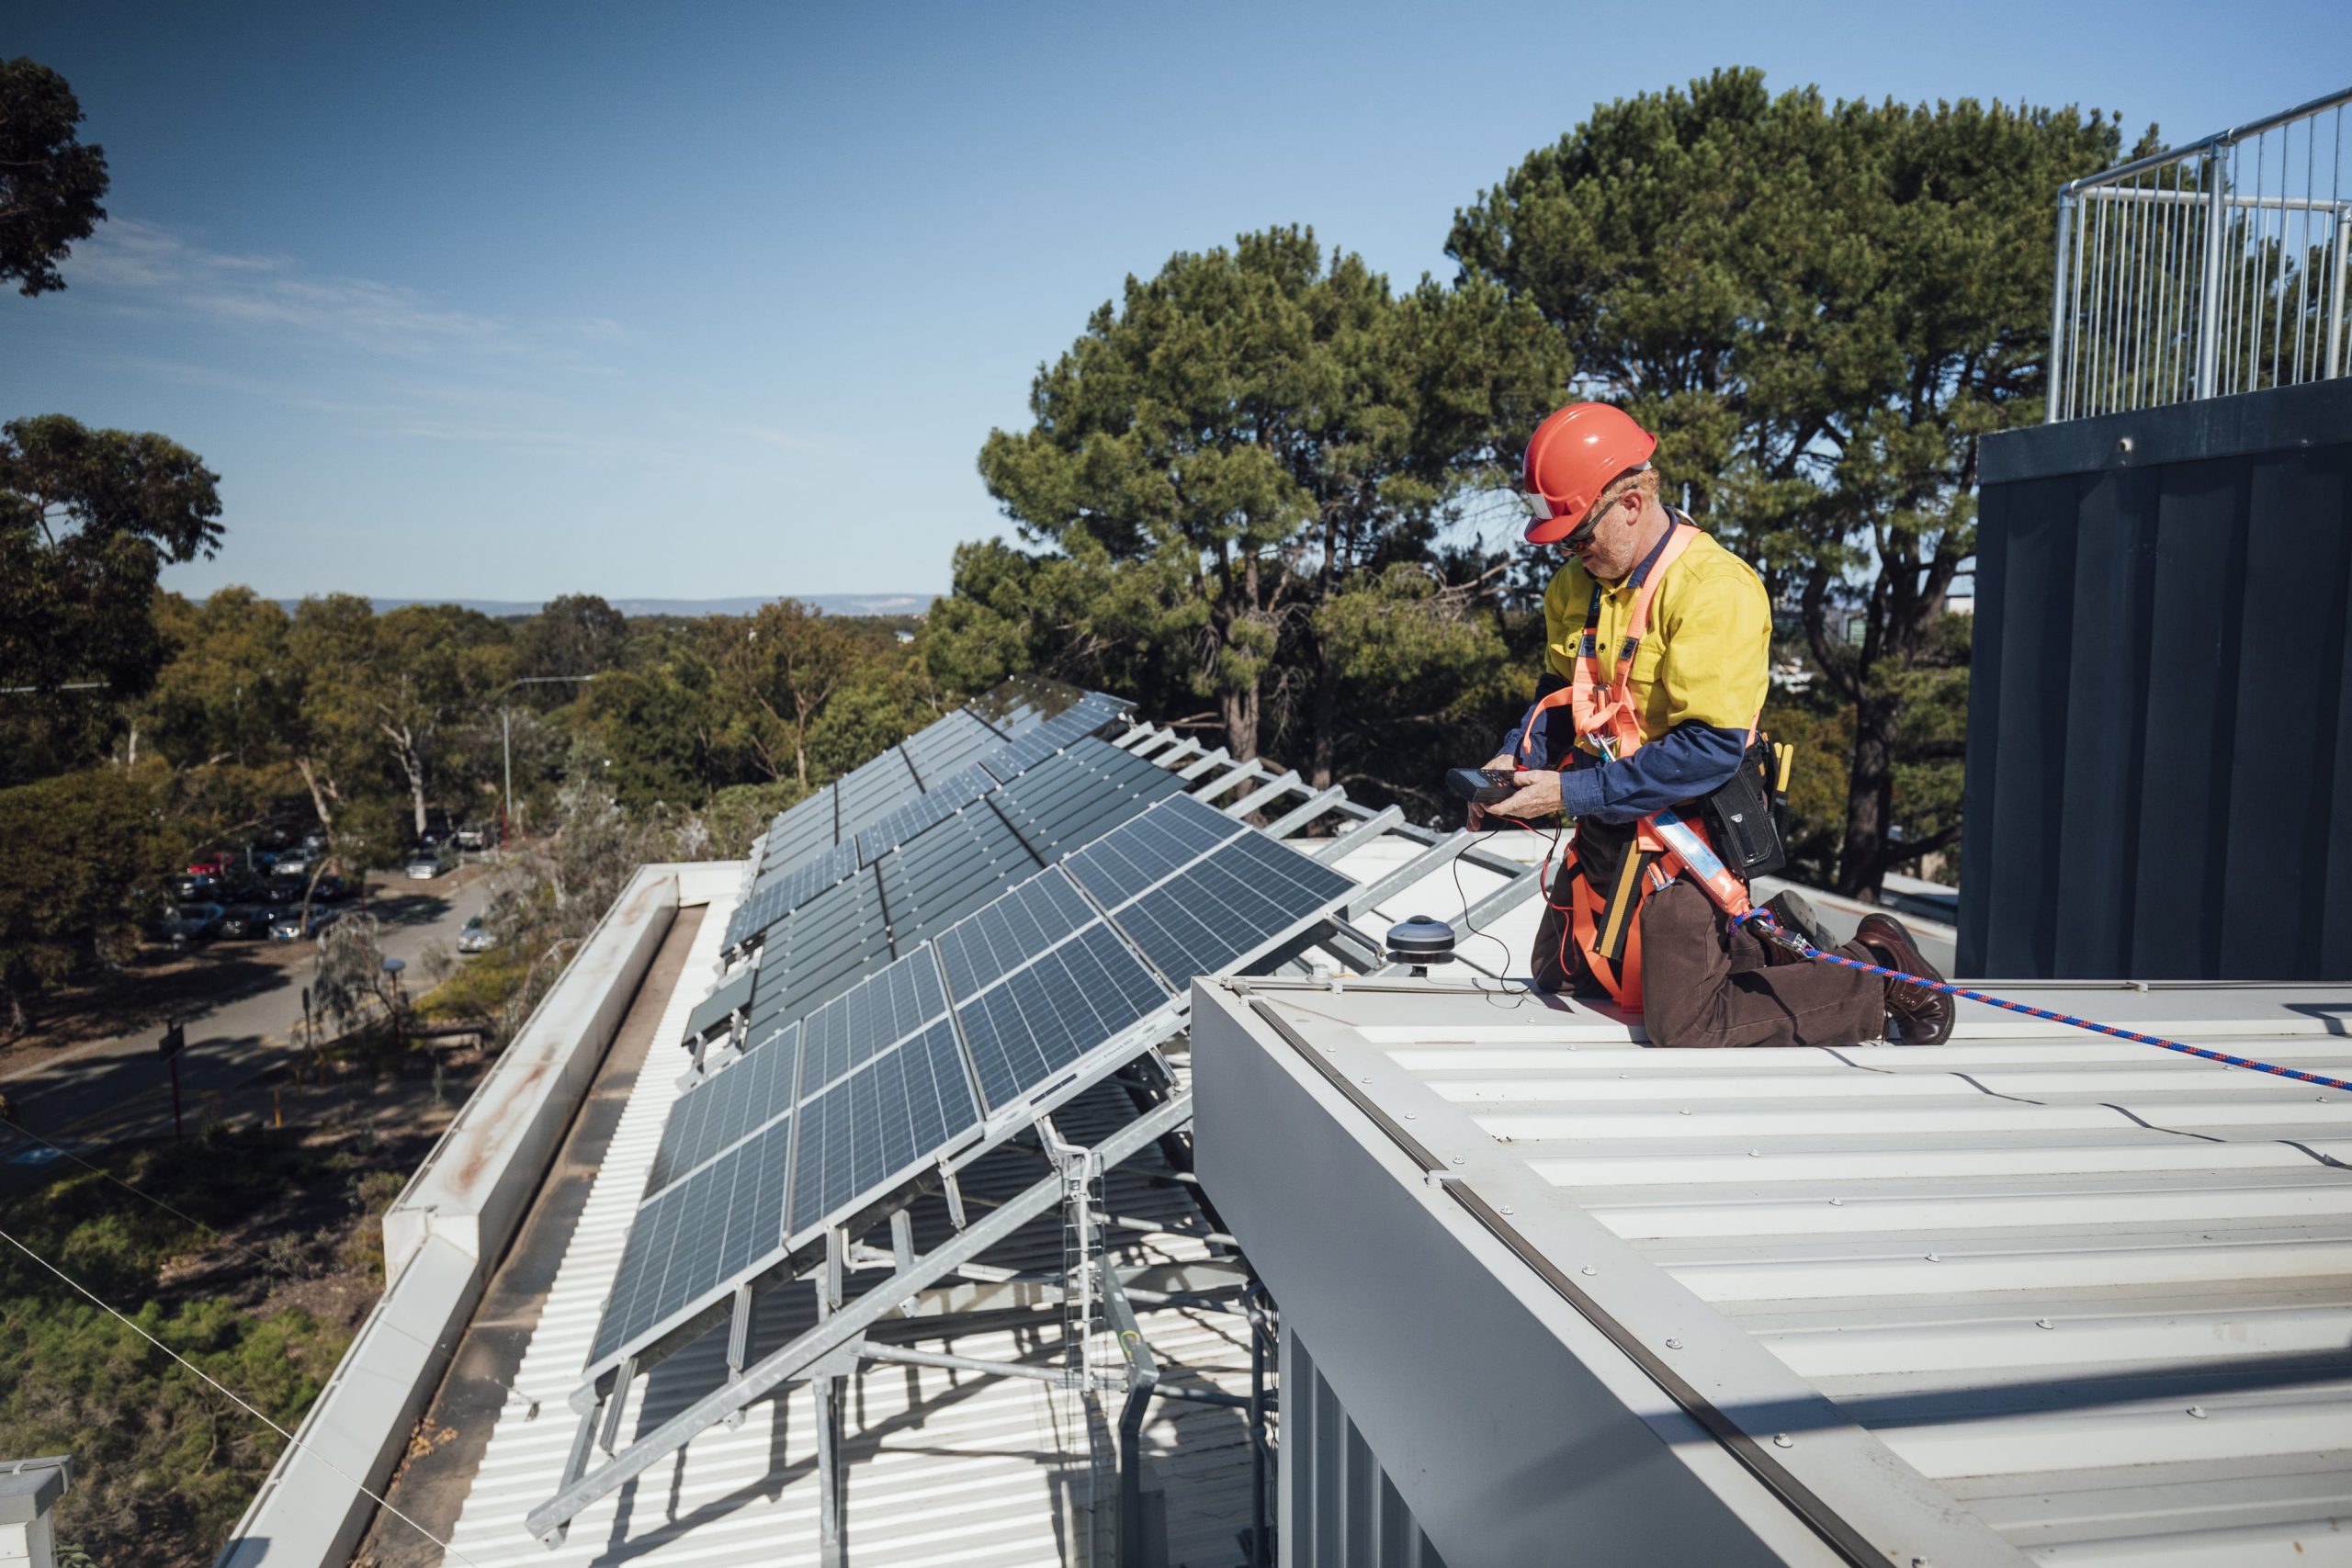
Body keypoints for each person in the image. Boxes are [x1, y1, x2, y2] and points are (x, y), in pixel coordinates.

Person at [1476, 401, 1953, 1048]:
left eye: (1580, 533)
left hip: (1688, 840)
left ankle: (1881, 971)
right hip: (1608, 827)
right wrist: (1516, 759)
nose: (1572, 551)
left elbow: (1706, 752)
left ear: (1633, 502)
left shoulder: (1714, 588)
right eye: (1560, 540)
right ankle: (1765, 948)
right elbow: (1560, 692)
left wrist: (1567, 793)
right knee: (1561, 975)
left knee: (1686, 1022)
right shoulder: (1575, 586)